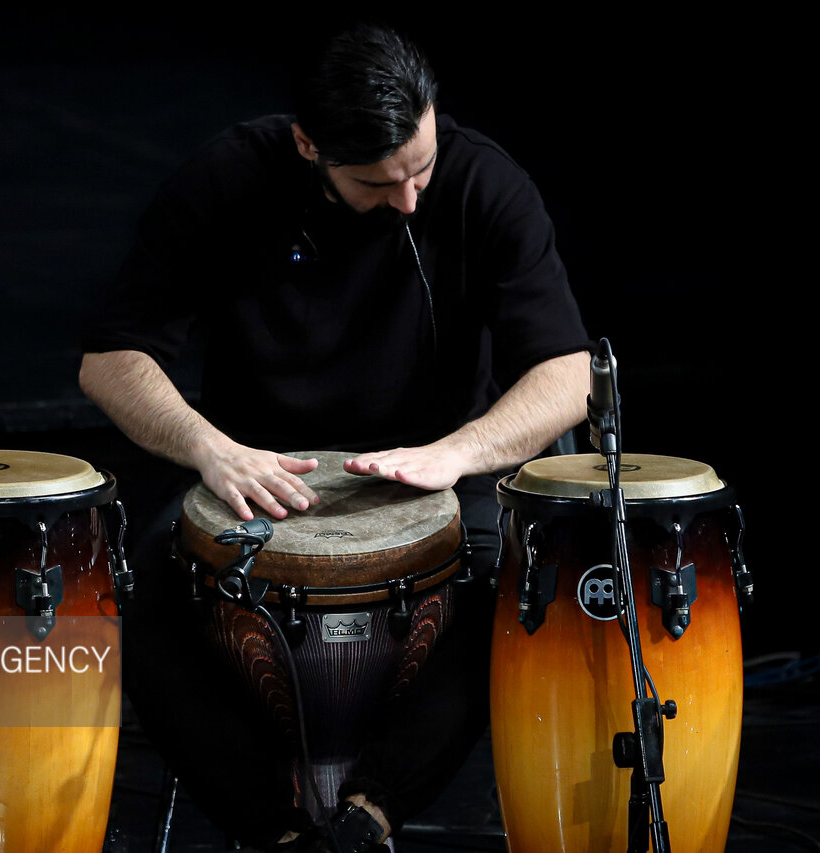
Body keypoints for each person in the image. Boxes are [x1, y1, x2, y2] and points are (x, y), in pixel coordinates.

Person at [78, 21, 591, 851]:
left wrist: (457, 453)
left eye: (420, 167)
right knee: (137, 598)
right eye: (378, 182)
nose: (410, 199)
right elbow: (110, 359)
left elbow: (567, 373)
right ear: (308, 144)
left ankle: (367, 818)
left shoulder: (486, 183)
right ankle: (279, 832)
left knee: (515, 595)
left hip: (438, 466)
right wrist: (211, 447)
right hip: (255, 470)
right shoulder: (225, 178)